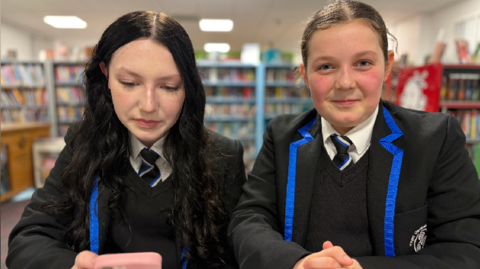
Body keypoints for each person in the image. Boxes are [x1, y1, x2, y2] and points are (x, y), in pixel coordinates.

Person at [228, 1, 480, 268]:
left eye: (363, 63)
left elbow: (464, 247)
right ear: (305, 74)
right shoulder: (281, 137)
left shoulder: (436, 138)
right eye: (325, 67)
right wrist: (296, 263)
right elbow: (249, 218)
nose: (345, 83)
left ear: (386, 66)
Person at [7, 11, 246, 269]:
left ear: (188, 87)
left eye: (169, 86)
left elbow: (237, 253)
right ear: (106, 76)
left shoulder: (224, 156)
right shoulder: (82, 143)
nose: (148, 105)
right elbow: (28, 238)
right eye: (130, 83)